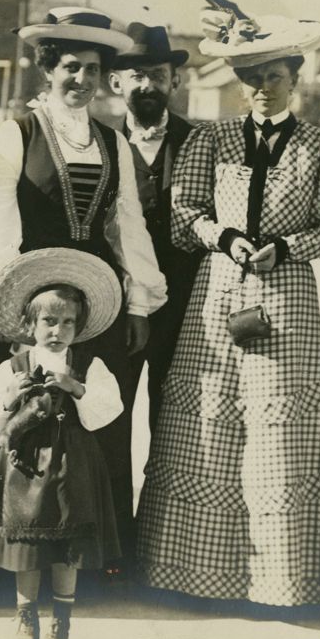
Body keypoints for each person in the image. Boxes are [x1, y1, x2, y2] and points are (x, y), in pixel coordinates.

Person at [136, 0, 320, 609]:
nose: (263, 89)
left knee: (278, 440)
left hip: (286, 300)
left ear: (297, 78)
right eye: (252, 78)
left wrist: (285, 245)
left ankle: (285, 583)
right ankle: (195, 578)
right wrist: (227, 238)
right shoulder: (212, 140)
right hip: (215, 294)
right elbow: (184, 217)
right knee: (208, 427)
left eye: (275, 77)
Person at [0, 7, 166, 596]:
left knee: (93, 436)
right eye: (71, 67)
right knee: (24, 425)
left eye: (94, 70)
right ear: (48, 69)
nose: (82, 80)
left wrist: (138, 303)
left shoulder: (112, 142)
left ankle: (92, 576)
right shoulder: (16, 134)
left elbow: (128, 223)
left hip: (93, 305)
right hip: (33, 303)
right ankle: (3, 575)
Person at [0, 248, 124, 639]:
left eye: (68, 322)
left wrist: (77, 389)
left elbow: (111, 407)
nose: (58, 330)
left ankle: (61, 619)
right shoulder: (16, 365)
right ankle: (26, 616)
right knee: (26, 540)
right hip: (24, 463)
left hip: (73, 460)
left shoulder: (87, 365)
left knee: (68, 539)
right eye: (49, 321)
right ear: (30, 324)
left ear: (79, 326)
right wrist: (8, 399)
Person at [107, 22, 201, 439]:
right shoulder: (100, 143)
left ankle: (162, 507)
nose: (148, 85)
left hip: (184, 308)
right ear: (115, 82)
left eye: (158, 75)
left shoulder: (202, 142)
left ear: (175, 80)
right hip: (119, 307)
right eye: (137, 76)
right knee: (112, 416)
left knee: (175, 422)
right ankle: (117, 506)